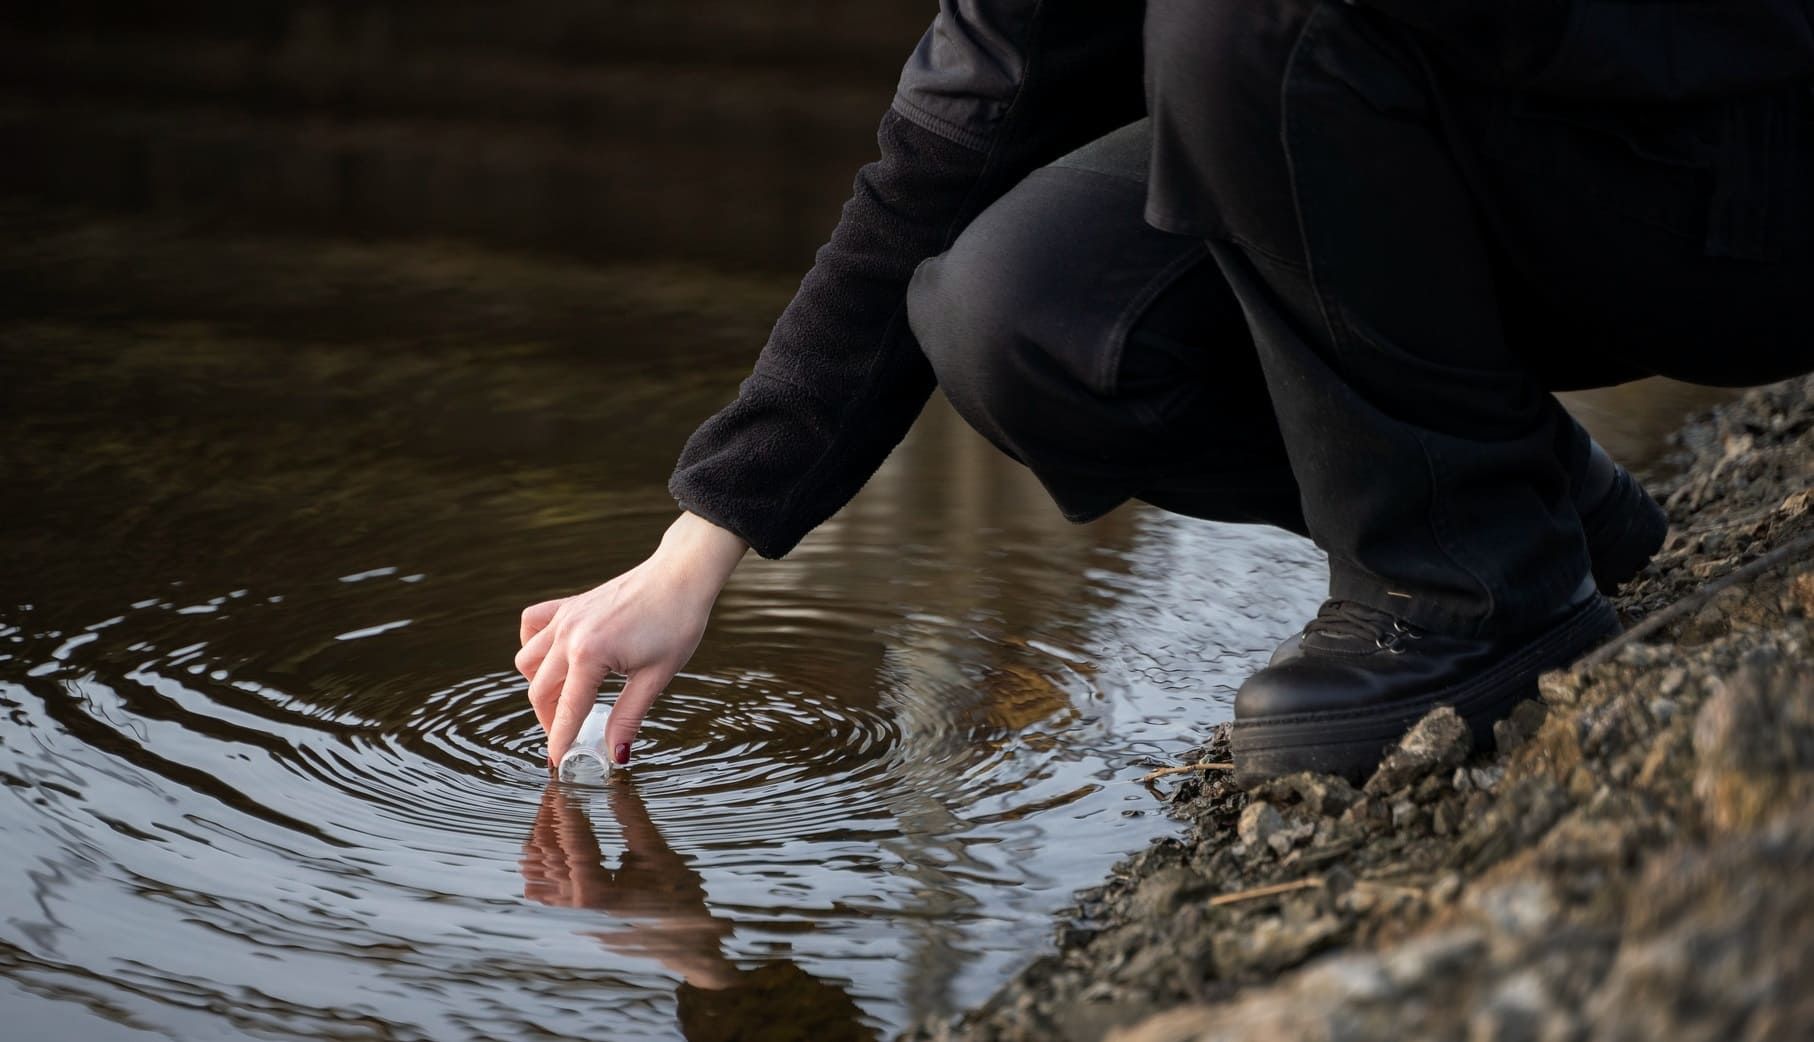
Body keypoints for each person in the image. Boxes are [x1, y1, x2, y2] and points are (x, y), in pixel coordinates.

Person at [516, 2, 1814, 783]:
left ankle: (1460, 600)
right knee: (1022, 308)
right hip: (1489, 173)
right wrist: (698, 548)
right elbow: (947, 148)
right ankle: (1516, 507)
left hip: (1737, 174)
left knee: (1241, 19)